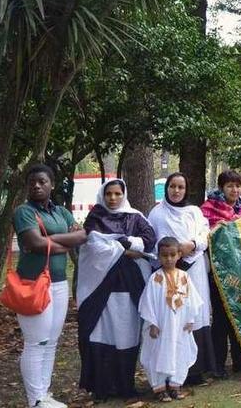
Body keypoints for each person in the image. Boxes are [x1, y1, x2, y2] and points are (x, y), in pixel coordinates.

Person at [12, 164, 87, 408]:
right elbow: (33, 243)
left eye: (42, 181)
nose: (36, 185)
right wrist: (62, 243)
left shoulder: (61, 212)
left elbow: (82, 235)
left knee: (52, 341)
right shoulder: (24, 212)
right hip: (33, 284)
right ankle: (35, 400)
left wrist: (50, 240)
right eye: (32, 182)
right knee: (37, 342)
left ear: (52, 185)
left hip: (58, 284)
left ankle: (43, 395)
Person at [79, 179, 156, 401]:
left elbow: (149, 241)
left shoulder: (136, 217)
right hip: (100, 289)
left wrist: (116, 244)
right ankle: (102, 388)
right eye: (109, 194)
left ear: (124, 194)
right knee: (102, 336)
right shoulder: (96, 216)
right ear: (103, 195)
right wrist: (127, 247)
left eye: (117, 194)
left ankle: (125, 386)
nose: (113, 198)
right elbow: (94, 245)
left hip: (129, 288)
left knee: (127, 337)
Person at [147, 172, 216, 384]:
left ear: (186, 190)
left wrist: (192, 245)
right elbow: (152, 241)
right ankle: (171, 373)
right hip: (168, 273)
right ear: (166, 188)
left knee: (194, 314)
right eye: (172, 187)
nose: (176, 191)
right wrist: (171, 255)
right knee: (173, 318)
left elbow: (205, 234)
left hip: (192, 269)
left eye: (181, 187)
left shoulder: (194, 212)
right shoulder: (157, 213)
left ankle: (195, 371)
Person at [200, 170, 241, 377]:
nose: (235, 190)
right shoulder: (208, 209)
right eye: (230, 186)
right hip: (218, 272)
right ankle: (218, 364)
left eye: (238, 186)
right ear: (221, 187)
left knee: (240, 316)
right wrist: (216, 228)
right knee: (221, 318)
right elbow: (203, 236)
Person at [138, 237, 204, 402]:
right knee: (158, 352)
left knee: (179, 350)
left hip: (180, 324)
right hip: (161, 326)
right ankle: (159, 387)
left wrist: (190, 319)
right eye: (164, 255)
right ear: (159, 256)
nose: (168, 259)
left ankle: (175, 384)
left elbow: (192, 300)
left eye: (172, 255)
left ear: (179, 255)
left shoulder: (184, 277)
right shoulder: (155, 278)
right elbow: (148, 303)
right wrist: (152, 323)